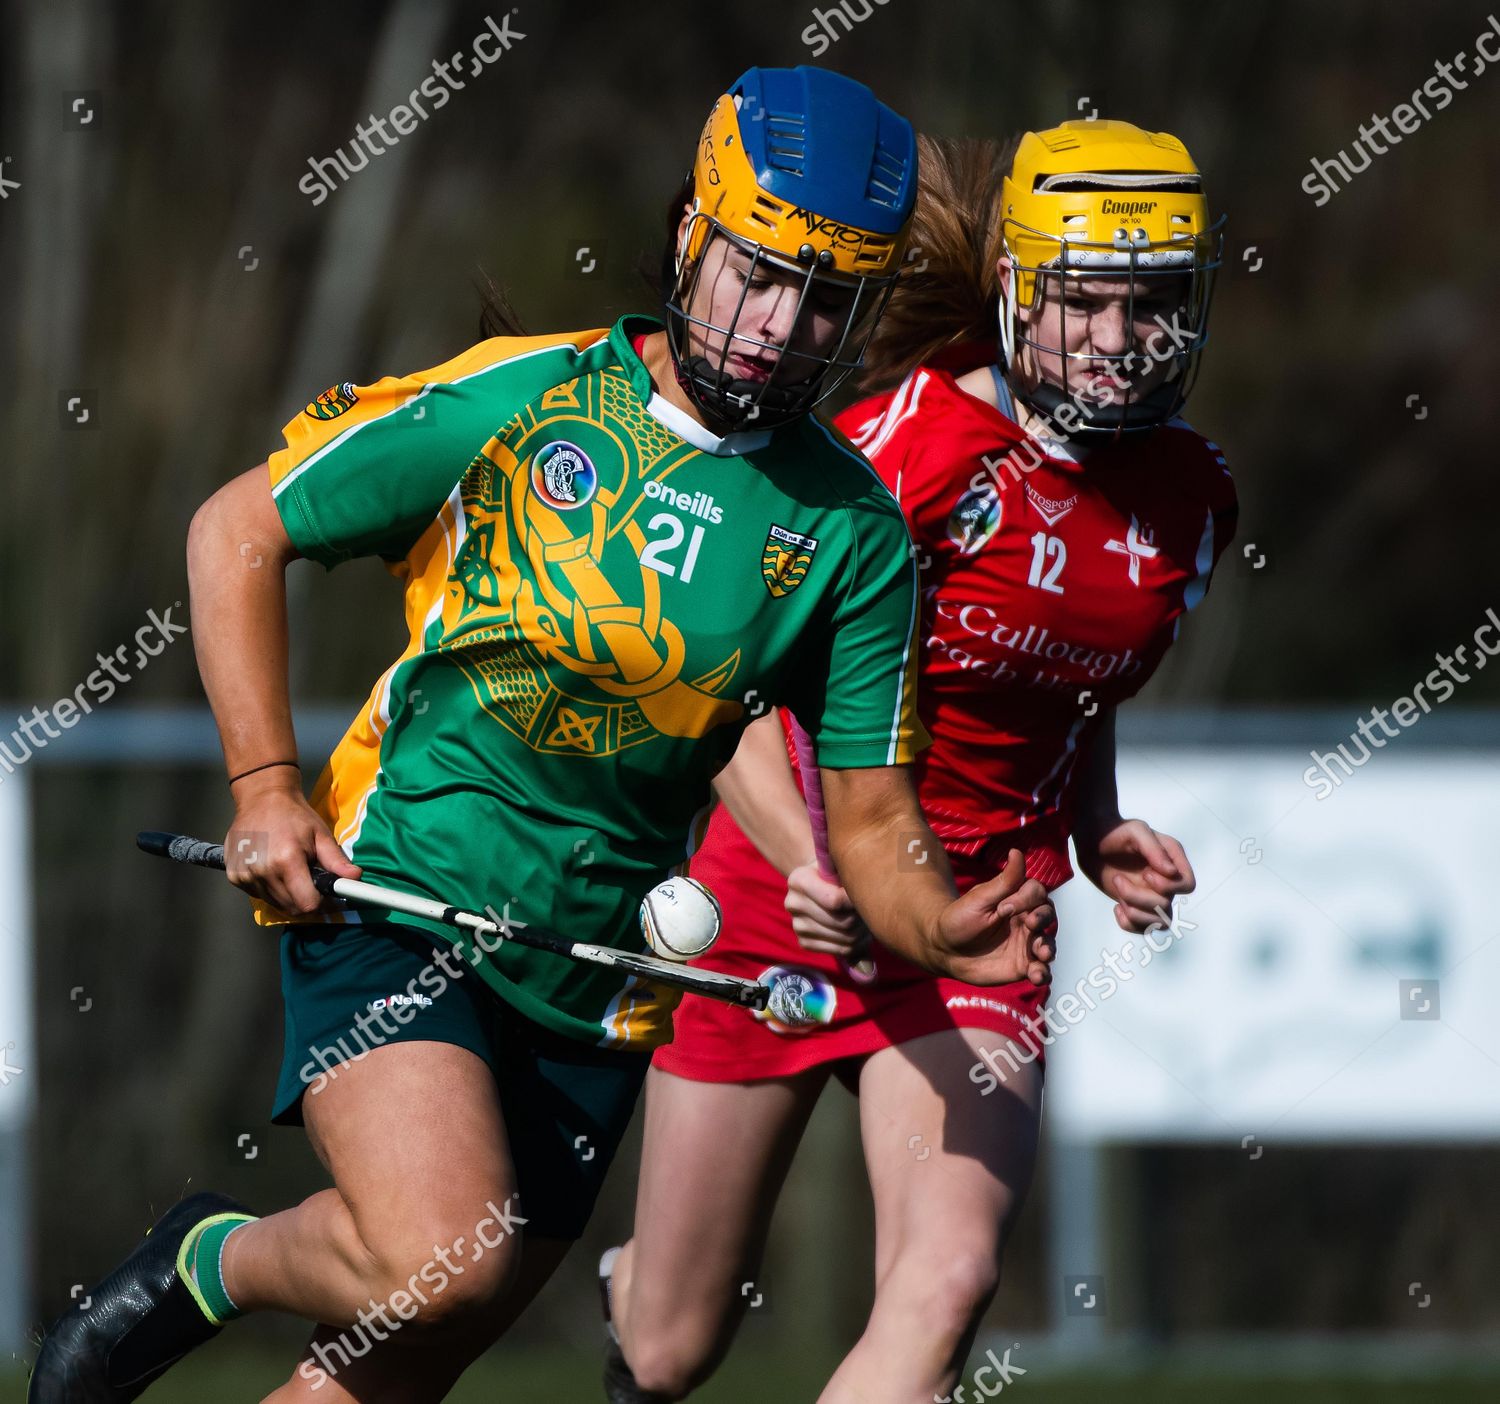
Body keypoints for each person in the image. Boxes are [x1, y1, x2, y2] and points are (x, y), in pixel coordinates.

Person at [27, 67, 1059, 1404]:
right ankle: (206, 1262)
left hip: (598, 975)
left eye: (826, 302)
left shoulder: (852, 536)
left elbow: (870, 821)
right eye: (757, 273)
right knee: (441, 1255)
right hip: (397, 894)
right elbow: (238, 529)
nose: (779, 326)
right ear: (693, 236)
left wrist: (940, 925)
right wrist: (268, 788)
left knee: (399, 1361)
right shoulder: (525, 401)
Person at [602, 120, 1238, 1404]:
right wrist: (802, 860)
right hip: (786, 897)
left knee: (944, 1289)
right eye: (1082, 302)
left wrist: (1095, 825)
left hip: (979, 931)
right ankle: (641, 1297)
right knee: (670, 1346)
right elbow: (719, 679)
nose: (1116, 342)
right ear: (1015, 287)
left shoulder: (1194, 497)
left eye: (1149, 304)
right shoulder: (907, 454)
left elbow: (1071, 690)